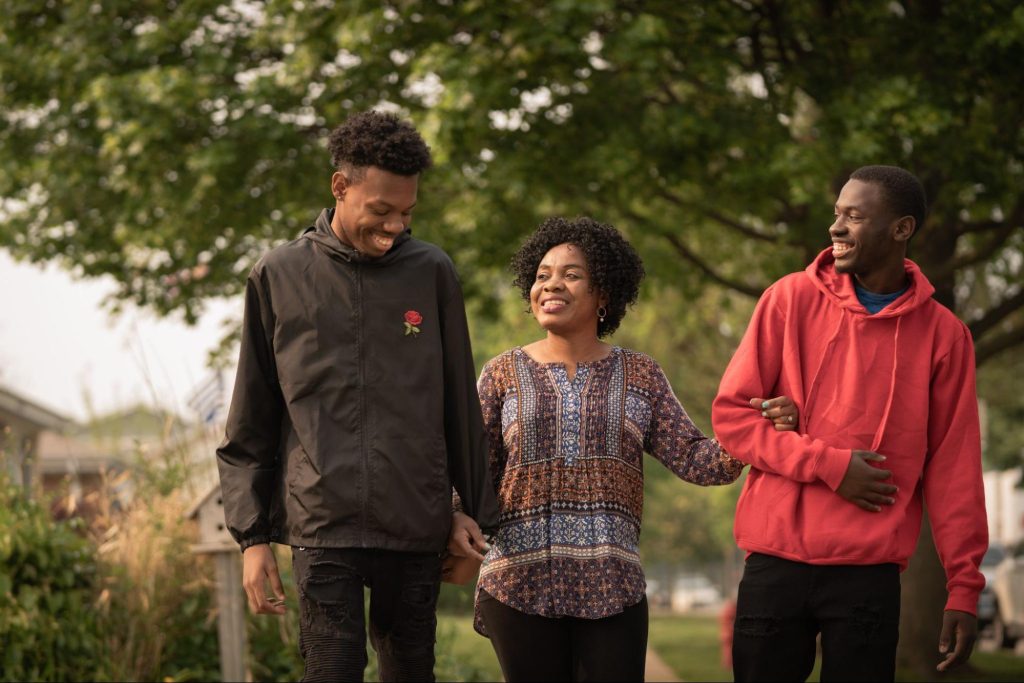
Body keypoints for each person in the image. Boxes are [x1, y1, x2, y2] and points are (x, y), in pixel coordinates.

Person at [215, 110, 500, 682]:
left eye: (407, 212)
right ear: (340, 187)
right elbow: (252, 416)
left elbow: (457, 408)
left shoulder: (432, 271)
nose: (395, 226)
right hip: (323, 524)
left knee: (410, 671)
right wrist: (252, 538)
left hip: (416, 520)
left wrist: (472, 512)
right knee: (331, 671)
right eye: (381, 210)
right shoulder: (278, 275)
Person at [450, 216, 798, 682]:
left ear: (604, 296)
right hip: (519, 581)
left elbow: (697, 460)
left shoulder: (640, 375)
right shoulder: (501, 374)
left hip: (613, 584)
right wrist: (453, 518)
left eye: (571, 275)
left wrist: (760, 427)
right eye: (542, 275)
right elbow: (471, 470)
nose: (552, 285)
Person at [712, 165, 988, 681]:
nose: (836, 228)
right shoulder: (788, 299)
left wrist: (964, 586)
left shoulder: (945, 337)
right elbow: (732, 417)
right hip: (776, 561)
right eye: (837, 214)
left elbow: (955, 469)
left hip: (869, 573)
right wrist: (829, 464)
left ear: (901, 228)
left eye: (855, 216)